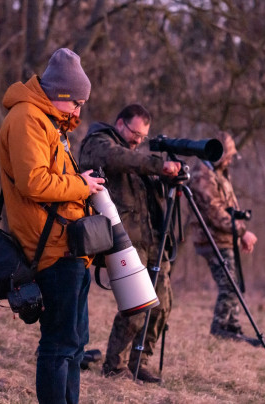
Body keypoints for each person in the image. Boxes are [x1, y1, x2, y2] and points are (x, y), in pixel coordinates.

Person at [0, 48, 105, 404]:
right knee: (59, 346)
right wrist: (82, 186)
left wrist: (80, 180)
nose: (78, 111)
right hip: (52, 248)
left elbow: (52, 175)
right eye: (76, 103)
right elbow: (33, 182)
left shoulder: (49, 122)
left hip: (69, 246)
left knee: (74, 345)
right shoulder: (28, 118)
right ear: (59, 95)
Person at [79, 104, 181, 384]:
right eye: (134, 132)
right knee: (135, 307)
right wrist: (160, 166)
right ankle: (115, 365)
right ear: (120, 123)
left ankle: (140, 361)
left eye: (142, 136)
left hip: (152, 241)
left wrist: (168, 181)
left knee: (161, 306)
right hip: (125, 242)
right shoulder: (99, 143)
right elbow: (118, 159)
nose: (138, 140)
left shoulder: (135, 158)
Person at [189, 131, 258, 339]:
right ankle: (219, 328)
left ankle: (232, 327)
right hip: (213, 240)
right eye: (227, 155)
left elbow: (228, 207)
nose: (229, 160)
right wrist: (243, 232)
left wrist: (238, 234)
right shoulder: (202, 176)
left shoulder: (219, 173)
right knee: (229, 286)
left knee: (234, 284)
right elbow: (215, 213)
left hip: (226, 240)